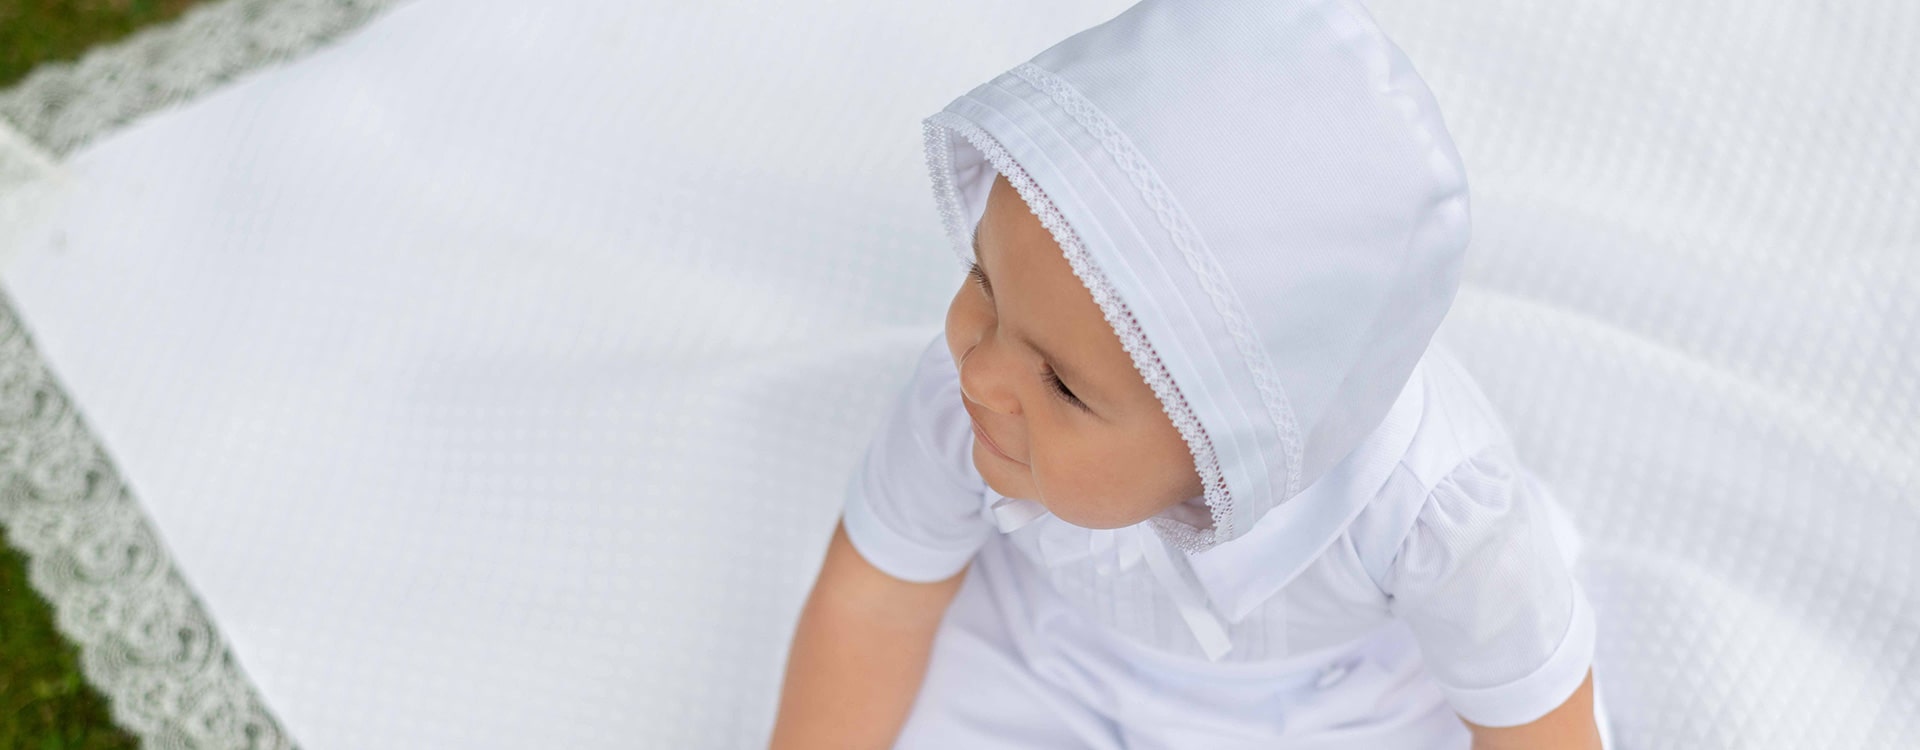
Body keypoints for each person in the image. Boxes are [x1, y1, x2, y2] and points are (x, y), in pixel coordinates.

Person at [772, 0, 1610, 747]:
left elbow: (1536, 720)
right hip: (1050, 657)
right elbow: (875, 599)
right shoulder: (968, 395)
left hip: (1340, 708)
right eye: (984, 285)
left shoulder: (1432, 508)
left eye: (1063, 386)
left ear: (1229, 443)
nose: (983, 373)